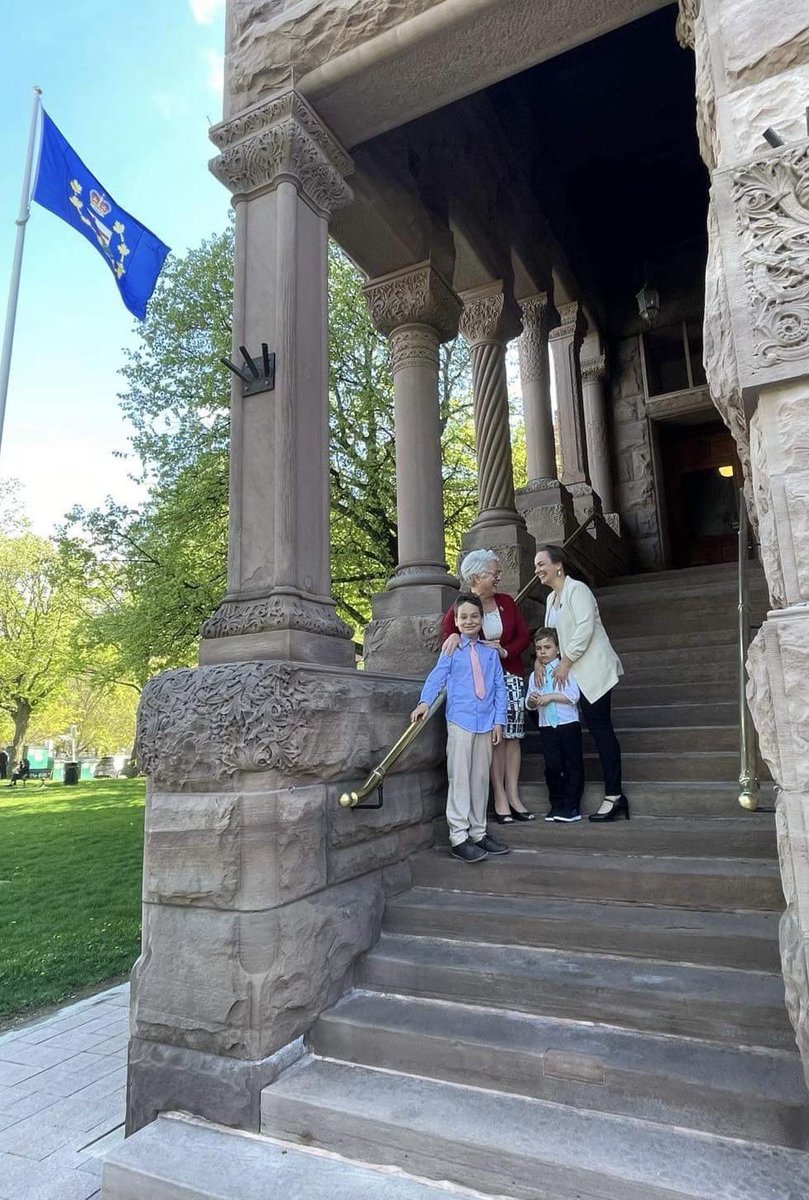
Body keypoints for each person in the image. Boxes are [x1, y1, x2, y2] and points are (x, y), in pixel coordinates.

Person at [412, 592, 510, 863]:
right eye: (463, 617)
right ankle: (458, 836)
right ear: (455, 621)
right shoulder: (452, 649)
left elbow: (500, 688)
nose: (469, 621)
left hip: (486, 722)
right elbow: (437, 677)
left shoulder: (490, 653)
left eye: (474, 616)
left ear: (482, 620)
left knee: (480, 780)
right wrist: (425, 703)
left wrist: (499, 720)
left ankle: (479, 833)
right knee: (460, 779)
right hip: (461, 721)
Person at [534, 544, 629, 822]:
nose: (538, 569)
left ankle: (614, 796)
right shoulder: (551, 600)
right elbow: (549, 636)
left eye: (542, 564)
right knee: (589, 733)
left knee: (601, 732)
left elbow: (585, 628)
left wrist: (565, 661)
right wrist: (541, 660)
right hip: (572, 677)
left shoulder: (578, 590)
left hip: (593, 672)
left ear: (558, 565)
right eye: (536, 566)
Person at [440, 549, 532, 823]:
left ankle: (513, 795)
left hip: (510, 674)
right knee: (495, 739)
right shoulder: (463, 606)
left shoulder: (507, 602)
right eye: (494, 573)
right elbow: (448, 632)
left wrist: (505, 651)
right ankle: (500, 798)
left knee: (513, 736)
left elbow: (524, 636)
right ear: (477, 576)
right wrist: (455, 638)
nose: (499, 578)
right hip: (480, 684)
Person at [525, 627, 585, 823]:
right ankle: (556, 803)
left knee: (572, 764)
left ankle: (572, 805)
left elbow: (573, 696)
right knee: (552, 765)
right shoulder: (536, 675)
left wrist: (550, 697)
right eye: (539, 648)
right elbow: (528, 702)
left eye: (548, 647)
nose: (543, 652)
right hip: (546, 726)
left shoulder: (565, 669)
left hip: (567, 724)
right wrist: (532, 700)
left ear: (558, 650)